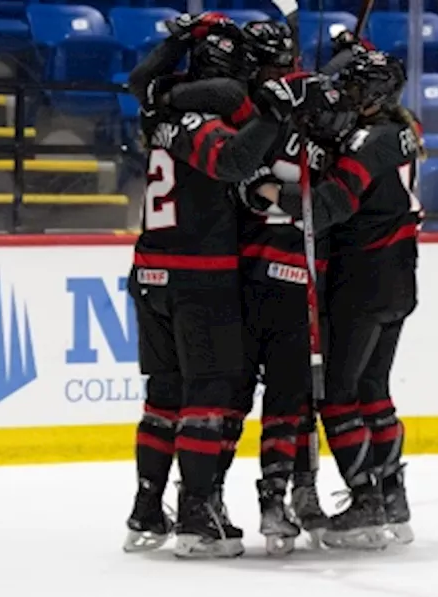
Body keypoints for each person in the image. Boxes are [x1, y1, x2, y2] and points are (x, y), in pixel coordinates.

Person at [121, 12, 325, 559]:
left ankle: (146, 510)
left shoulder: (159, 105)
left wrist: (177, 42)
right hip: (200, 275)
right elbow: (234, 161)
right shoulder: (203, 118)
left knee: (164, 396)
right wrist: (277, 112)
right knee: (209, 397)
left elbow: (141, 79)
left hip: (149, 271)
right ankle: (196, 517)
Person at [257, 49, 424, 549]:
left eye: (353, 88)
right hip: (398, 278)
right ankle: (392, 495)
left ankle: (366, 500)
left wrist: (269, 192)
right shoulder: (403, 132)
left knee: (337, 394)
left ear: (373, 95)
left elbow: (328, 206)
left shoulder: (368, 142)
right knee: (374, 390)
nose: (343, 95)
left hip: (363, 280)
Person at [231, 19, 332, 555]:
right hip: (268, 275)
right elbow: (249, 190)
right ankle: (277, 497)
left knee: (297, 395)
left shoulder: (288, 120)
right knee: (284, 396)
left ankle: (298, 491)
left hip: (285, 273)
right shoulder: (252, 120)